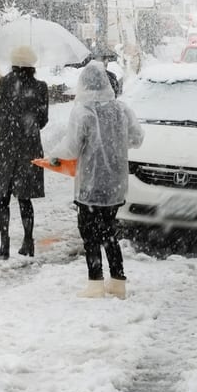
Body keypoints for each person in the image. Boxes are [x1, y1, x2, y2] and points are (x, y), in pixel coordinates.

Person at [47, 61, 144, 299]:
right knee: (109, 231)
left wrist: (54, 157)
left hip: (90, 184)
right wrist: (116, 143)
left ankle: (95, 283)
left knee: (89, 233)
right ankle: (118, 282)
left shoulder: (83, 111)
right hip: (115, 184)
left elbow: (71, 148)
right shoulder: (122, 110)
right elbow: (137, 138)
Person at [0, 45, 49, 259]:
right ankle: (28, 240)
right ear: (32, 65)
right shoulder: (40, 87)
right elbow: (43, 120)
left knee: (2, 198)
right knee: (25, 198)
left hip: (4, 147)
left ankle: (4, 244)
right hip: (28, 147)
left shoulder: (2, 84)